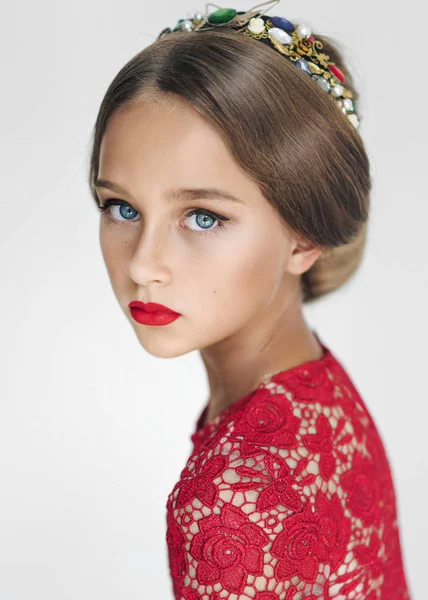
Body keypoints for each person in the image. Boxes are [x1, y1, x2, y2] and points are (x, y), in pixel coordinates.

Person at [87, 1, 411, 597]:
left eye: (203, 217)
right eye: (122, 208)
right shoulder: (321, 398)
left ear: (304, 234)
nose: (142, 264)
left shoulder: (232, 500)